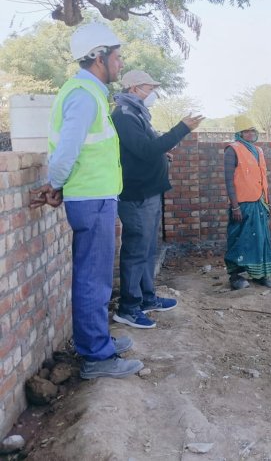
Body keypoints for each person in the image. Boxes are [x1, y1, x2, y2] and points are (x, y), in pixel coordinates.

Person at [29, 22, 143, 379]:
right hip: (91, 200)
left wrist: (60, 187)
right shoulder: (82, 94)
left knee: (95, 278)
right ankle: (97, 357)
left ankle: (98, 342)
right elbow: (66, 153)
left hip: (94, 198)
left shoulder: (88, 92)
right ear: (99, 57)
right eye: (117, 56)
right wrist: (56, 184)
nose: (120, 64)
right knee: (93, 280)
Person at [111, 70, 205, 328]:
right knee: (136, 251)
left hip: (149, 192)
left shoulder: (138, 113)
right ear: (132, 89)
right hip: (136, 194)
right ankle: (128, 308)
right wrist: (181, 129)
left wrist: (162, 158)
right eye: (147, 88)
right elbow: (144, 150)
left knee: (147, 250)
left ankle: (147, 299)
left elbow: (148, 150)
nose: (151, 93)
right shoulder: (124, 116)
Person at [224, 116, 271, 290]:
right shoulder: (232, 150)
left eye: (252, 131)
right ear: (239, 133)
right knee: (239, 239)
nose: (250, 134)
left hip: (259, 202)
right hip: (242, 204)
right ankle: (236, 276)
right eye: (246, 131)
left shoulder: (258, 151)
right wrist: (235, 206)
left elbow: (262, 178)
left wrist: (267, 201)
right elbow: (229, 180)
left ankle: (261, 275)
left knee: (261, 240)